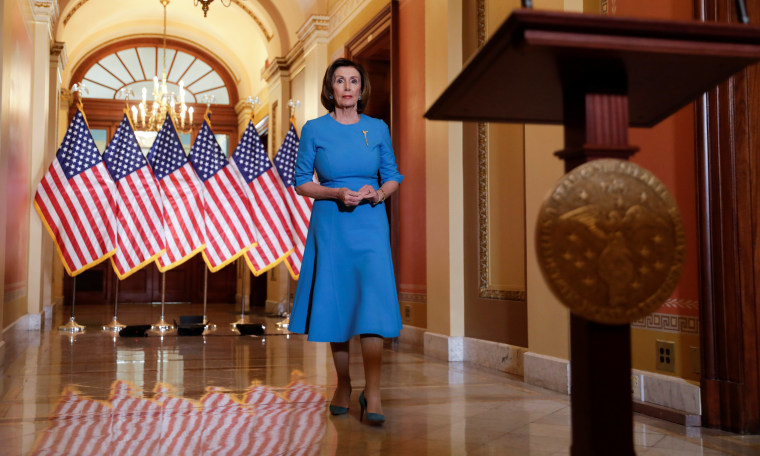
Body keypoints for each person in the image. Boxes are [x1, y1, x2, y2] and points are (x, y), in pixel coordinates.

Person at [287, 58, 403, 425]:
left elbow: (393, 176)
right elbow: (302, 180)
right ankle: (344, 384)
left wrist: (379, 194)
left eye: (354, 80)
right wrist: (336, 193)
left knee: (372, 306)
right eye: (340, 80)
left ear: (361, 88)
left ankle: (375, 390)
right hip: (331, 223)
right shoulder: (314, 129)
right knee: (337, 307)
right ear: (331, 88)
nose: (348, 86)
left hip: (370, 224)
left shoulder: (378, 128)